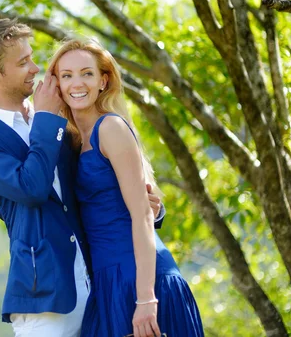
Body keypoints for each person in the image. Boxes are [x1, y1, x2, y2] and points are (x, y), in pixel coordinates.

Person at [0, 19, 164, 337]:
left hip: (100, 286)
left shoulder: (61, 122)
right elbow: (32, 187)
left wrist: (150, 208)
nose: (35, 68)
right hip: (44, 301)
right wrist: (44, 118)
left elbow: (96, 190)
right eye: (23, 62)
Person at [47, 38, 204, 337]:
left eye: (87, 73)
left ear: (104, 81)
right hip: (106, 281)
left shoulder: (111, 128)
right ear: (56, 84)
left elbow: (143, 215)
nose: (76, 83)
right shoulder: (71, 141)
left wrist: (146, 298)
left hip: (141, 279)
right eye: (66, 75)